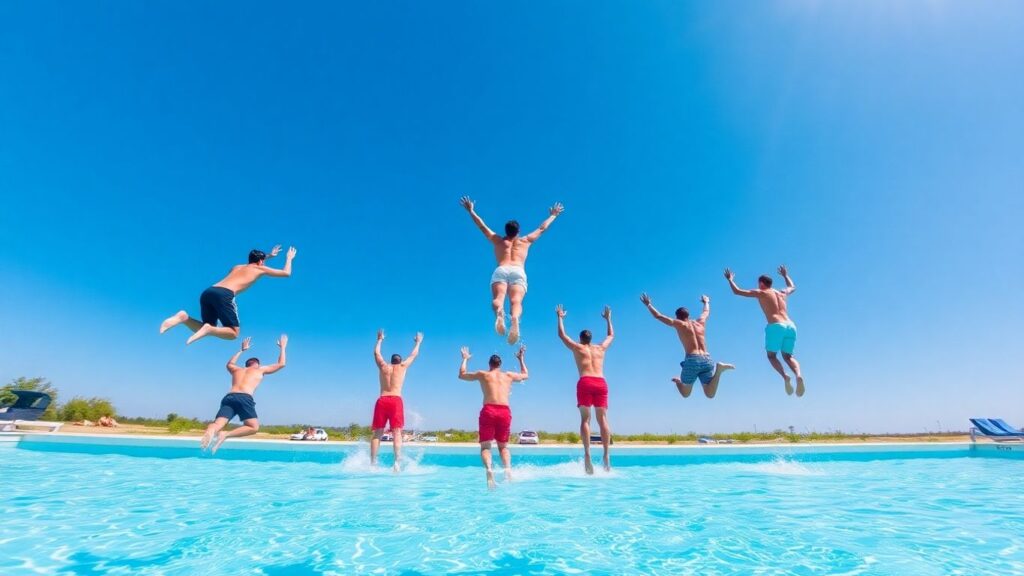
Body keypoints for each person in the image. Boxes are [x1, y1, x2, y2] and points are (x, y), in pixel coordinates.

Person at [459, 196, 564, 345]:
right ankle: (514, 318)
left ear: (505, 231)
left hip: (501, 269)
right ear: (518, 231)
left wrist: (471, 211)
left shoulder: (498, 241)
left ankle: (499, 313)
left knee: (498, 299)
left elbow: (482, 226)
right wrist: (553, 215)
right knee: (516, 301)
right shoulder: (525, 241)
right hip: (518, 271)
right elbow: (542, 228)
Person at [160, 246, 297, 345]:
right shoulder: (260, 268)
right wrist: (289, 258)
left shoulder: (236, 267)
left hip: (209, 292)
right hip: (225, 295)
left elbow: (254, 262)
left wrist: (269, 256)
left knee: (208, 327)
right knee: (233, 333)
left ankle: (184, 318)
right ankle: (208, 329)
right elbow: (286, 273)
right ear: (261, 262)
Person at [725, 266, 804, 396]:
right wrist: (785, 276)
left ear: (761, 283)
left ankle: (785, 376)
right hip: (790, 325)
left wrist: (730, 280)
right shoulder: (782, 293)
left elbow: (737, 291)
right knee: (788, 356)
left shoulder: (762, 292)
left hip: (776, 325)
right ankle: (798, 375)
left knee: (771, 356)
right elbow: (792, 286)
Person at [201, 335, 288, 454]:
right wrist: (283, 347)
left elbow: (229, 363)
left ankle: (211, 430)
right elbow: (281, 364)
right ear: (257, 364)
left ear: (245, 365)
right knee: (253, 427)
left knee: (217, 424)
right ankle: (226, 434)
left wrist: (241, 350)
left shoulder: (237, 370)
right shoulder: (260, 370)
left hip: (229, 398)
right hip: (244, 397)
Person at [458, 345, 529, 489]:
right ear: (500, 365)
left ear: (489, 364)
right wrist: (521, 359)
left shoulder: (483, 374)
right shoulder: (508, 375)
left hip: (489, 410)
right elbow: (525, 375)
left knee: (485, 446)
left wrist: (465, 359)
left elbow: (462, 375)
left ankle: (489, 470)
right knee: (503, 447)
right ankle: (508, 471)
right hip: (504, 411)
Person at [640, 293, 734, 399]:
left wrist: (648, 305)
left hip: (692, 360)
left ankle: (678, 382)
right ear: (688, 316)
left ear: (677, 317)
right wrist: (706, 301)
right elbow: (706, 312)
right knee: (710, 394)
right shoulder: (700, 322)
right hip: (706, 359)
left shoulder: (679, 324)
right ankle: (719, 370)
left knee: (685, 394)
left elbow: (658, 316)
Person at [556, 304, 614, 474]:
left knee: (585, 420)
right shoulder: (600, 348)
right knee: (603, 419)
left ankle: (587, 454)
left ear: (581, 339)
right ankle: (606, 454)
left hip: (585, 382)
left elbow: (562, 335)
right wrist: (608, 318)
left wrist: (560, 317)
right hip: (601, 382)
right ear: (591, 338)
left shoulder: (577, 348)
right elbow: (611, 335)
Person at [371, 329, 423, 472]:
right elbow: (414, 355)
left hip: (382, 399)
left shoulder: (383, 366)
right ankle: (397, 463)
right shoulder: (402, 367)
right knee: (397, 432)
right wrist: (418, 342)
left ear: (391, 360)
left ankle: (373, 463)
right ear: (399, 361)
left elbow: (376, 353)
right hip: (396, 400)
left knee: (377, 433)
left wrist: (380, 339)